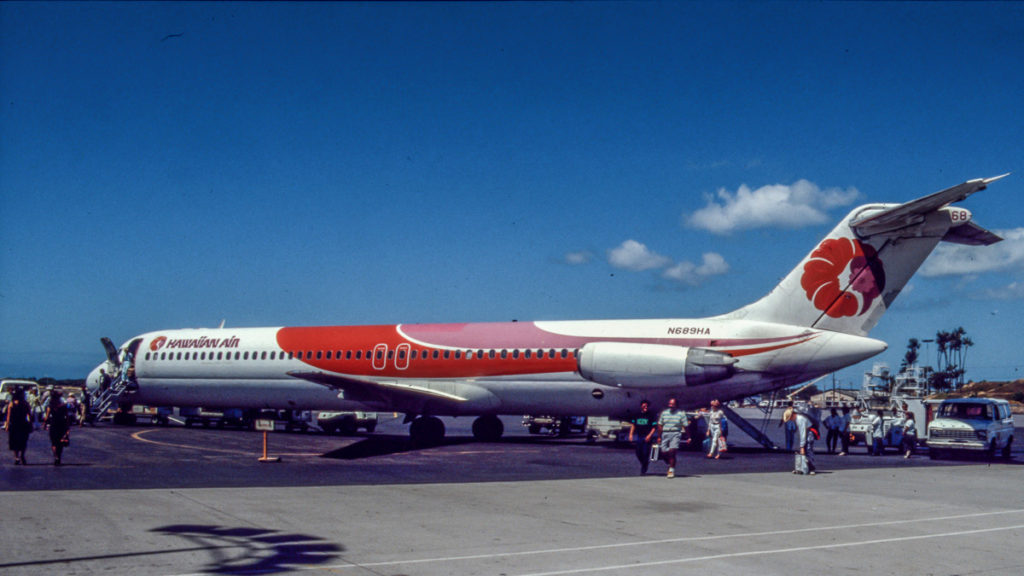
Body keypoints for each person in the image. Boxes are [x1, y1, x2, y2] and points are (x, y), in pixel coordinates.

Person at [656, 397, 690, 478]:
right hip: (665, 433)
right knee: (664, 452)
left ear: (676, 405)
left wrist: (689, 437)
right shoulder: (664, 413)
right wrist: (659, 436)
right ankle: (670, 462)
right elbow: (660, 425)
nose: (670, 406)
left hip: (675, 433)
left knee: (672, 451)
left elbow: (685, 426)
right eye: (670, 404)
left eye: (672, 404)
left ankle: (671, 469)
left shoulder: (681, 414)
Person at [627, 400, 657, 475]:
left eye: (646, 406)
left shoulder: (651, 415)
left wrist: (649, 436)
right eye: (644, 406)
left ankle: (644, 467)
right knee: (638, 452)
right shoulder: (637, 415)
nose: (645, 407)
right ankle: (644, 463)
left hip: (647, 437)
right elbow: (633, 425)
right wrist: (630, 434)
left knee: (645, 452)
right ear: (641, 406)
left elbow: (654, 427)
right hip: (639, 436)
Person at [4, 388, 33, 465]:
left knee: (18, 441)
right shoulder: (24, 404)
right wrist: (7, 425)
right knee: (19, 441)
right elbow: (8, 416)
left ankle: (18, 457)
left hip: (18, 424)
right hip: (19, 424)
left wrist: (7, 425)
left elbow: (8, 416)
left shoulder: (14, 403)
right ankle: (19, 456)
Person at [785, 407, 817, 475]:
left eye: (790, 418)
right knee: (804, 451)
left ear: (792, 415)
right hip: (808, 432)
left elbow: (803, 433)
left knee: (808, 450)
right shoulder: (798, 418)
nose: (790, 420)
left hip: (809, 433)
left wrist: (802, 446)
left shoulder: (800, 419)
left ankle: (811, 468)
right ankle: (802, 467)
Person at [44, 389, 71, 466]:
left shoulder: (50, 406)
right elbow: (67, 416)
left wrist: (45, 424)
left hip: (53, 424)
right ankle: (59, 456)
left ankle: (56, 456)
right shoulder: (63, 406)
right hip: (61, 424)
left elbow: (47, 417)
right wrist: (67, 425)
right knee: (60, 442)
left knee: (53, 442)